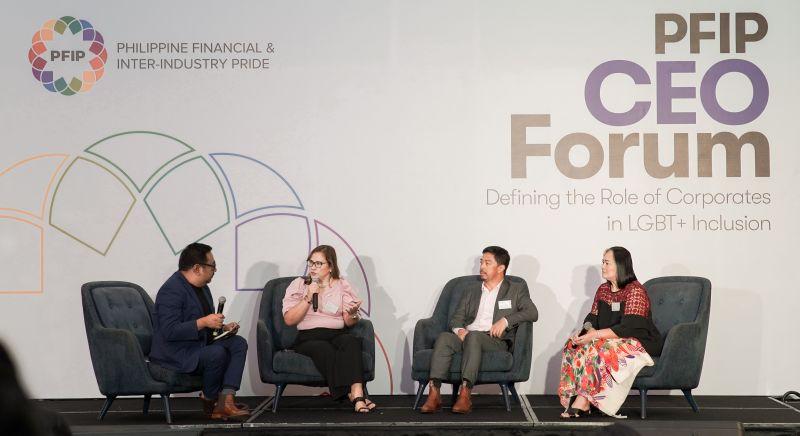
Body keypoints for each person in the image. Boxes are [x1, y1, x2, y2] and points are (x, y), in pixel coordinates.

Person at [420, 246, 538, 414]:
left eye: (487, 263)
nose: (481, 266)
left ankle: (465, 394)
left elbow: (532, 312)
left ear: (500, 268)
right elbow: (456, 319)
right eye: (481, 261)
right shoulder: (471, 290)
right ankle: (434, 393)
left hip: (493, 340)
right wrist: (460, 331)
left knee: (474, 336)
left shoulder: (515, 289)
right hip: (467, 336)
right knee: (445, 338)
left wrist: (505, 321)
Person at [558, 246, 663, 419]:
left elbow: (628, 328)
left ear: (621, 265)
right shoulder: (603, 290)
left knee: (600, 348)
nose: (603, 266)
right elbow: (591, 317)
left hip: (640, 341)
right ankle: (581, 398)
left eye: (607, 263)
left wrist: (594, 336)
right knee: (573, 345)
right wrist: (586, 333)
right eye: (603, 262)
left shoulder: (635, 291)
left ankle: (584, 402)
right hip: (609, 339)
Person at [149, 242, 250, 421]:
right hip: (175, 352)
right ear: (197, 268)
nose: (215, 270)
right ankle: (209, 400)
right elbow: (169, 331)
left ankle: (226, 401)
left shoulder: (203, 287)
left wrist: (223, 328)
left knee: (238, 343)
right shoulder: (171, 291)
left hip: (198, 344)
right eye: (212, 266)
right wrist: (203, 322)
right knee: (216, 352)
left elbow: (205, 326)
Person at [282, 245, 375, 413]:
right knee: (324, 349)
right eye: (311, 263)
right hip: (308, 337)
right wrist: (308, 297)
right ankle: (354, 396)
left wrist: (352, 314)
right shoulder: (299, 284)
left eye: (318, 263)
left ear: (331, 266)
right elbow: (289, 320)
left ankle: (356, 392)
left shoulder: (341, 285)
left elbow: (348, 321)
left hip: (336, 333)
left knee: (352, 341)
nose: (313, 267)